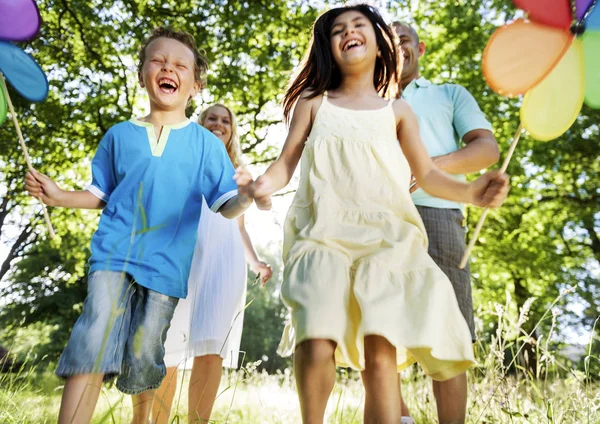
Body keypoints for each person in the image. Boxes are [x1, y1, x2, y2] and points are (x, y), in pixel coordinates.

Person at [247, 4, 509, 423]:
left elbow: (425, 173)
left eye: (358, 25)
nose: (348, 32)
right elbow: (284, 164)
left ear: (379, 42)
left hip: (386, 242)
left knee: (382, 356)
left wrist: (471, 192)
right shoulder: (314, 103)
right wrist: (261, 184)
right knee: (315, 338)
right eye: (338, 30)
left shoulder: (398, 111)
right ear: (327, 48)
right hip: (322, 235)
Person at [24, 27, 262, 424]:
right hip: (114, 255)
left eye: (179, 64)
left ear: (195, 85)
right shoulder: (119, 136)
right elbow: (101, 193)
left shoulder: (205, 145)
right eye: (158, 60)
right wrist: (58, 194)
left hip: (166, 271)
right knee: (93, 341)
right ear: (142, 74)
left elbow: (226, 207)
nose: (168, 67)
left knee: (145, 356)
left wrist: (249, 195)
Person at [131, 103, 273, 424]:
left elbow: (240, 228)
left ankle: (198, 421)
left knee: (212, 345)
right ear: (200, 122)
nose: (219, 124)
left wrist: (256, 263)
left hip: (225, 261)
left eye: (225, 120)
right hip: (184, 254)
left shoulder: (238, 172)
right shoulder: (181, 155)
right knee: (167, 345)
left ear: (232, 130)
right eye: (213, 118)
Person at [393, 21, 500, 424]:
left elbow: (486, 148)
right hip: (377, 216)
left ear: (420, 49)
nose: (396, 45)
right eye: (387, 40)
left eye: (403, 38)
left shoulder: (449, 94)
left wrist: (431, 166)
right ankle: (398, 417)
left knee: (449, 328)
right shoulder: (364, 100)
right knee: (376, 326)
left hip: (438, 212)